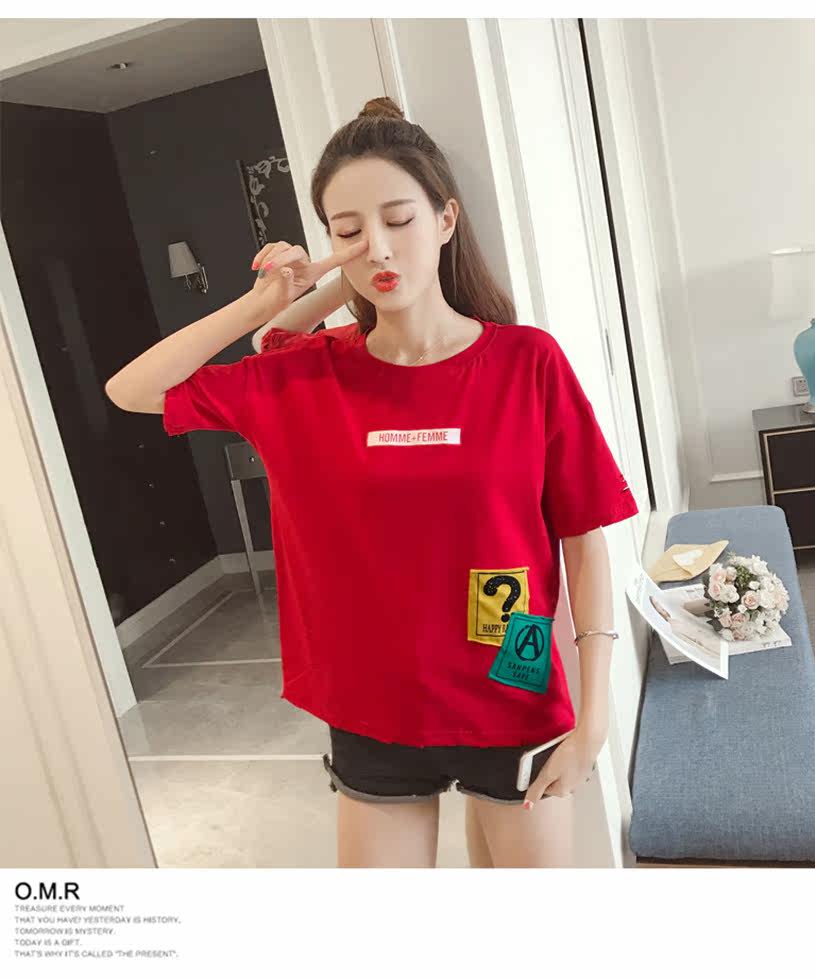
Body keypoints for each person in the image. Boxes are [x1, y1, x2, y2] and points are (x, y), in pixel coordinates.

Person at [105, 96, 639, 869]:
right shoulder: (303, 377)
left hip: (512, 678)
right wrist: (265, 303)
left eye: (399, 219)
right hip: (370, 700)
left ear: (446, 218)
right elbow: (133, 389)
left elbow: (583, 538)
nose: (377, 247)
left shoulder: (527, 363)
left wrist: (594, 716)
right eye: (349, 231)